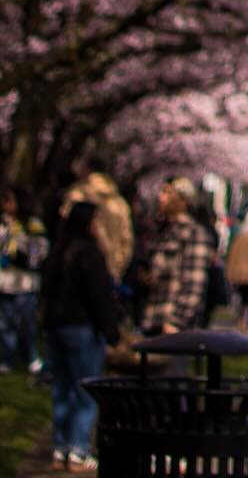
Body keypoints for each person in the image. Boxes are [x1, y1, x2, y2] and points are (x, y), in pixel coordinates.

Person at [41, 200, 119, 473]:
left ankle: (61, 447)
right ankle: (78, 449)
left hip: (57, 327)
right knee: (84, 390)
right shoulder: (88, 254)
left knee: (62, 388)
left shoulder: (59, 251)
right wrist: (111, 330)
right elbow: (98, 296)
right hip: (82, 327)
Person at [136, 177, 213, 336]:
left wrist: (176, 322)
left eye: (168, 193)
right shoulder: (163, 231)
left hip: (173, 328)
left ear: (183, 200)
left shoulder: (193, 233)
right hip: (153, 319)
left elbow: (194, 283)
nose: (161, 197)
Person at [0, 186, 47, 375]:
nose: (5, 205)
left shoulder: (33, 225)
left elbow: (39, 253)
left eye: (9, 200)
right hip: (4, 283)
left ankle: (30, 357)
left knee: (27, 324)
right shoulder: (3, 224)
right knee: (5, 325)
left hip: (25, 284)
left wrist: (20, 255)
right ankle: (6, 359)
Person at [58, 173, 132, 286]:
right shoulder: (120, 205)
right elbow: (126, 242)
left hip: (74, 267)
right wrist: (116, 266)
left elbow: (64, 224)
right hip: (108, 269)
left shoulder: (78, 193)